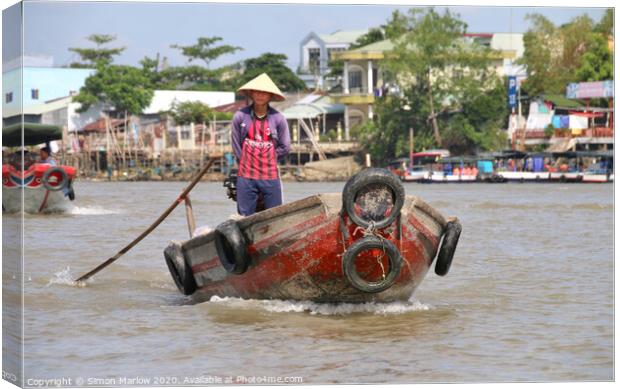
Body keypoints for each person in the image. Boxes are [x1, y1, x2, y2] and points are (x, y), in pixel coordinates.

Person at [231, 73, 291, 216]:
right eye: (257, 92)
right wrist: (246, 161)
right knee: (244, 217)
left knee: (274, 216)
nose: (260, 95)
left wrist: (269, 157)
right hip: (246, 176)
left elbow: (285, 146)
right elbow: (236, 145)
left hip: (270, 176)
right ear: (251, 93)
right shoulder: (240, 117)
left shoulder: (278, 119)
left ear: (270, 96)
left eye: (264, 93)